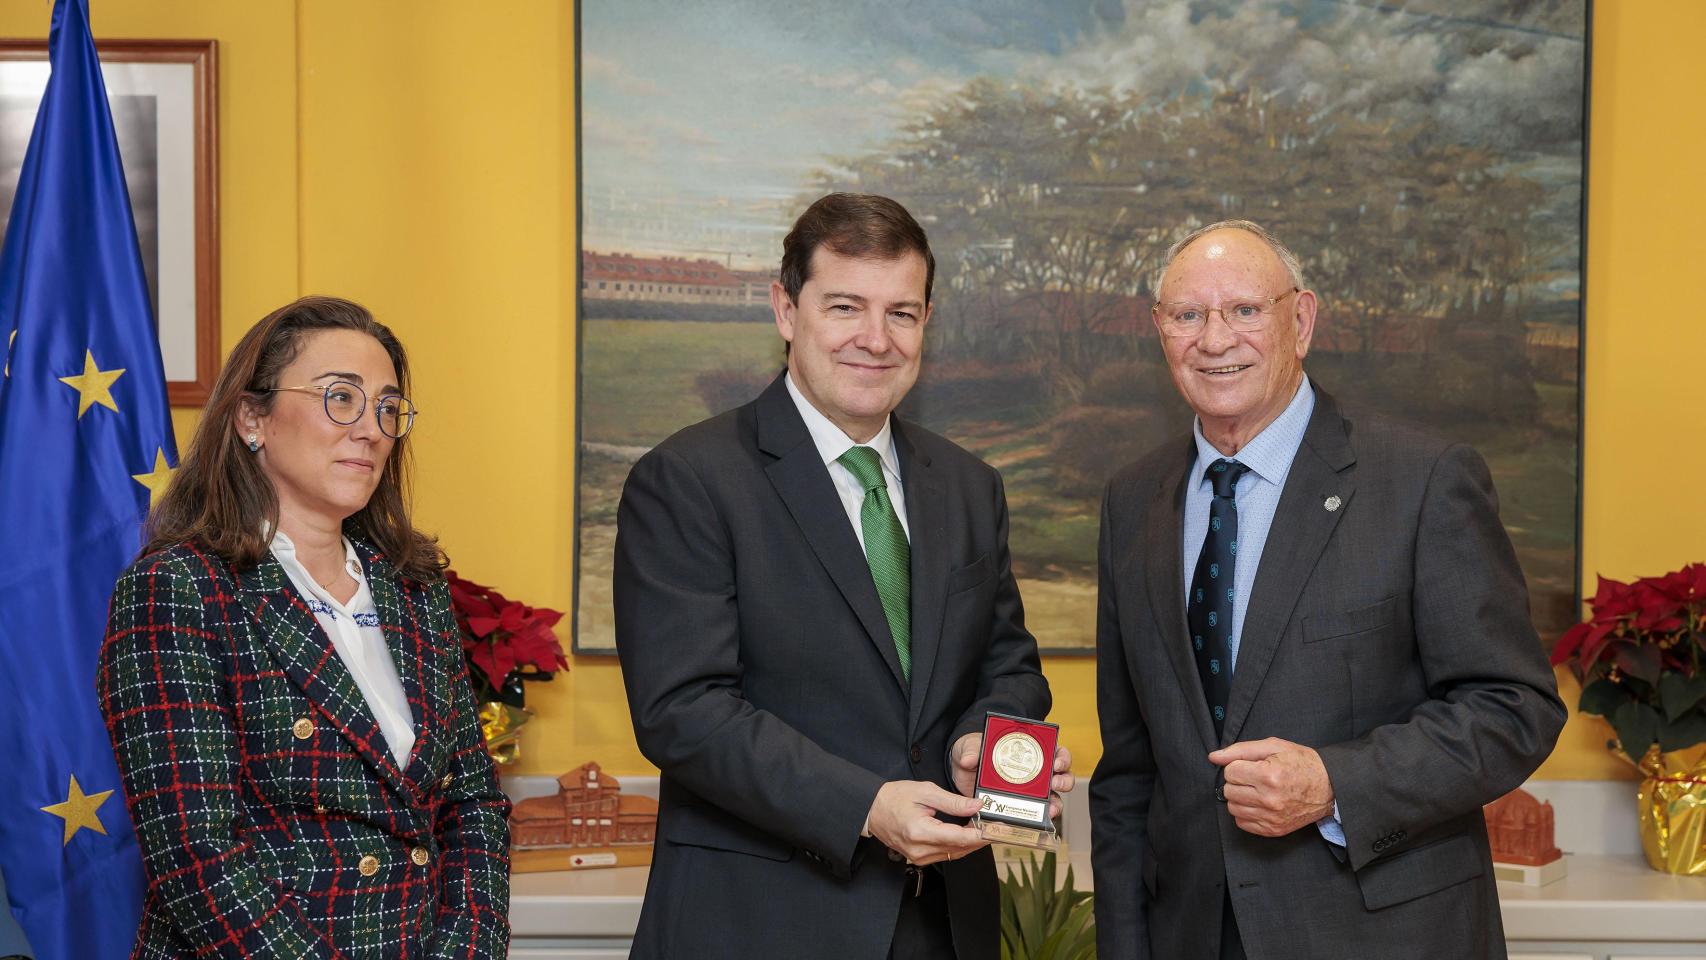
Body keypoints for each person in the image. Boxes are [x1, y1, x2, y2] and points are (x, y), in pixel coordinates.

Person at [1088, 221, 1566, 960]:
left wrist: (1333, 784)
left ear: (1301, 320)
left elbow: (1514, 708)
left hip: (1382, 936)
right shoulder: (1131, 502)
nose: (1215, 340)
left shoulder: (1423, 480)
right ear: (1160, 331)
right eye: (1188, 316)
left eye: (1245, 310)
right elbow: (1127, 773)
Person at [614, 193, 1069, 960]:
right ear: (786, 310)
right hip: (760, 926)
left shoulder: (967, 485)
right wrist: (866, 806)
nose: (875, 339)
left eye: (902, 313)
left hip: (944, 924)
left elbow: (1009, 666)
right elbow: (682, 709)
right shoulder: (687, 479)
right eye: (845, 306)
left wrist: (974, 743)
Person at [96, 296, 511, 958]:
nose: (370, 429)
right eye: (339, 398)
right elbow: (197, 857)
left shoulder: (416, 589)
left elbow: (474, 808)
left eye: (385, 407)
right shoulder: (179, 589)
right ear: (252, 417)